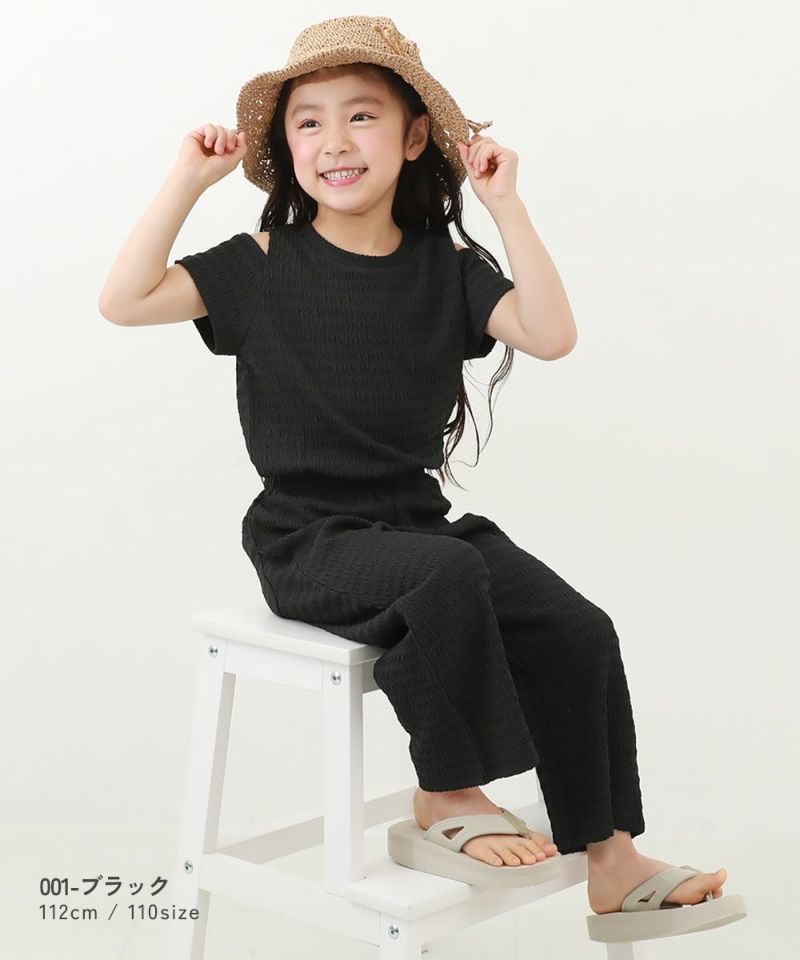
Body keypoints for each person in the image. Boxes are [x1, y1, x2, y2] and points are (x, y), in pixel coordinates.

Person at [99, 14, 744, 943]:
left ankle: (612, 860)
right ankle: (447, 792)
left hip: (416, 524)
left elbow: (551, 334)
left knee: (575, 624)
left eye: (361, 116)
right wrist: (187, 181)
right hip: (307, 537)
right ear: (288, 149)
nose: (335, 141)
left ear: (411, 141)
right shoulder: (263, 264)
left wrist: (506, 206)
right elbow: (123, 302)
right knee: (444, 576)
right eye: (310, 122)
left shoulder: (446, 267)